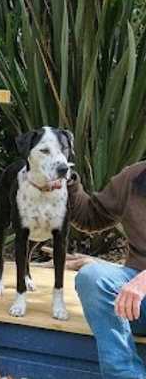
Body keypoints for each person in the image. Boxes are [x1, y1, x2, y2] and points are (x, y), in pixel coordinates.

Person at [69, 162, 146, 378]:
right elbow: (91, 216)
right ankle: (124, 375)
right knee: (92, 277)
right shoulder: (135, 177)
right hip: (138, 306)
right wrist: (67, 182)